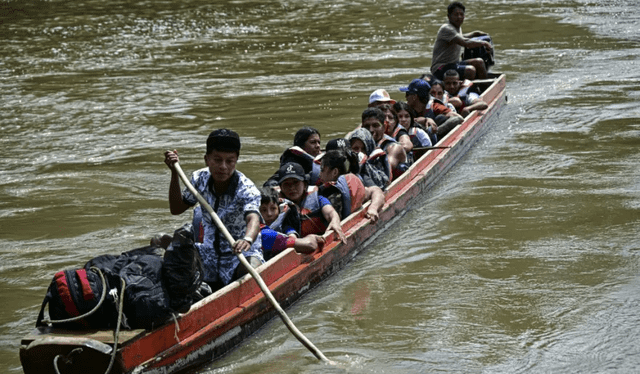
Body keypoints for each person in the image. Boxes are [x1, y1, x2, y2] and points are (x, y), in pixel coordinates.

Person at [164, 129, 263, 292]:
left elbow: (253, 218)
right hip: (208, 255)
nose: (223, 167)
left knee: (252, 270)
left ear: (236, 161)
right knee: (165, 247)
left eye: (230, 161)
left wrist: (247, 240)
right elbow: (176, 209)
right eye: (217, 160)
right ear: (207, 159)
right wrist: (174, 173)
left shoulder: (247, 189)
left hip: (239, 255)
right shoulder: (198, 179)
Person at [277, 162, 347, 243]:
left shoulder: (318, 199)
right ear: (281, 188)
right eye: (286, 184)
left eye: (296, 182)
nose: (292, 188)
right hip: (296, 242)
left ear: (305, 185)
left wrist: (335, 222)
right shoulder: (276, 206)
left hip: (321, 238)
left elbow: (330, 212)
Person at [258, 187, 325, 261]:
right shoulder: (265, 234)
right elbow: (310, 245)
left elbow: (292, 236)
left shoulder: (285, 227)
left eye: (273, 208)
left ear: (279, 208)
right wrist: (312, 237)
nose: (269, 214)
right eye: (263, 210)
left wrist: (293, 237)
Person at [430, 1, 493, 80]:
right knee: (470, 70)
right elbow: (465, 42)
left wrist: (474, 33)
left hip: (453, 64)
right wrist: (485, 43)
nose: (459, 17)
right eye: (456, 14)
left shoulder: (457, 27)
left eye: (461, 14)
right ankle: (468, 90)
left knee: (479, 62)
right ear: (449, 16)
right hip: (440, 68)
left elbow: (461, 37)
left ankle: (484, 87)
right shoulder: (447, 28)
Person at [318, 149, 385, 222]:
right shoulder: (351, 187)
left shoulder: (350, 188)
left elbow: (376, 190)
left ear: (335, 172)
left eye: (322, 170)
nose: (319, 174)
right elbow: (375, 190)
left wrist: (373, 208)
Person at [399, 78, 463, 141]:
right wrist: (424, 120)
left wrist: (436, 131)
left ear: (414, 97)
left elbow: (458, 117)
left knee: (440, 118)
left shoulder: (435, 106)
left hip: (434, 139)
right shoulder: (406, 108)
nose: (406, 97)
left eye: (407, 94)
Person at [361, 107, 408, 178]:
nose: (371, 130)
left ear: (384, 127)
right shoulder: (361, 145)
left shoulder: (394, 148)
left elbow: (385, 171)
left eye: (375, 125)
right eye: (367, 126)